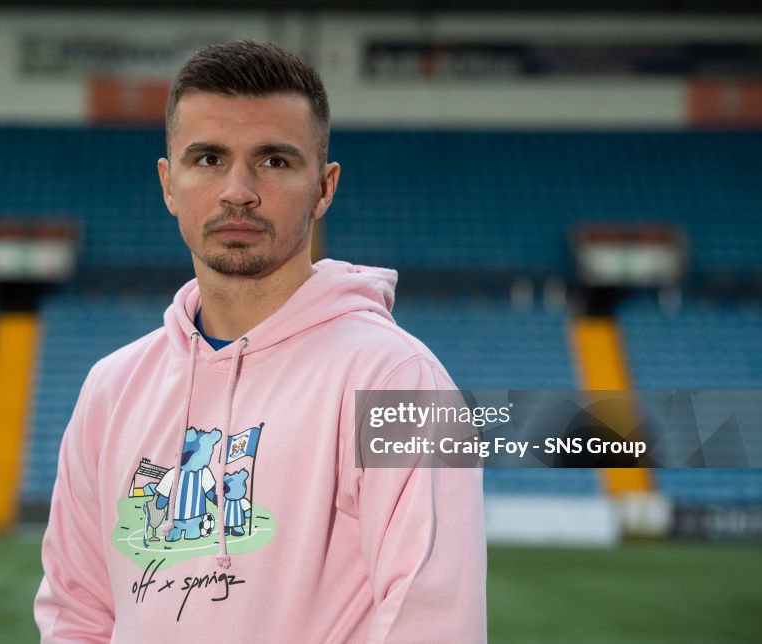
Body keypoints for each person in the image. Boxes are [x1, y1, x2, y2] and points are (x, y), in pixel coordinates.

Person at [35, 39, 486, 643]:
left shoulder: (399, 379)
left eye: (274, 160)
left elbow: (433, 619)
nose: (238, 190)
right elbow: (77, 612)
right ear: (169, 184)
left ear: (324, 187)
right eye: (208, 159)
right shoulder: (112, 387)